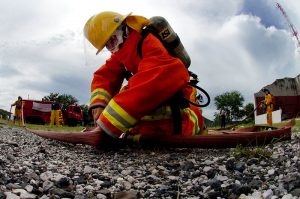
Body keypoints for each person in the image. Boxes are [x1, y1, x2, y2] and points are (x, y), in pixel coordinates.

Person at [83, 11, 206, 140]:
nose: (112, 48)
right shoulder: (123, 51)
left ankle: (197, 125)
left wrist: (105, 126)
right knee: (141, 120)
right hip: (162, 106)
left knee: (138, 103)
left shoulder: (150, 44)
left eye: (112, 41)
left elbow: (147, 88)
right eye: (107, 46)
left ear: (124, 30)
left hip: (177, 104)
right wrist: (98, 104)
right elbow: (105, 74)